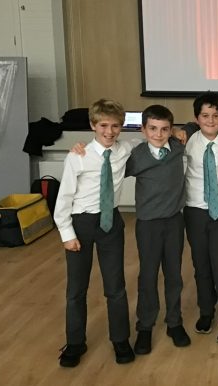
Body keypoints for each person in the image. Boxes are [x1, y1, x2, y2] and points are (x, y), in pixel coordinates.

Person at [54, 98, 135, 367]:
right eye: (103, 126)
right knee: (76, 288)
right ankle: (75, 342)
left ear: (121, 127)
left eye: (115, 126)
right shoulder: (78, 156)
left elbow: (151, 142)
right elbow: (64, 198)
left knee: (116, 286)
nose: (109, 132)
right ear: (92, 125)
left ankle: (120, 339)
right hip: (82, 224)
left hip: (111, 224)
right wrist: (67, 234)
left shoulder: (125, 150)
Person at [125, 105, 190, 355]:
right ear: (143, 130)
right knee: (148, 276)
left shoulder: (178, 146)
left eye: (164, 129)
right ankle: (145, 326)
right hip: (148, 225)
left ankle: (174, 322)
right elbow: (108, 162)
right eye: (152, 129)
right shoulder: (136, 156)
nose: (158, 134)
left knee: (174, 274)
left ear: (171, 130)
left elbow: (201, 126)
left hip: (174, 222)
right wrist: (81, 149)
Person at [184, 92, 218, 343]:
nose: (210, 120)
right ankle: (206, 311)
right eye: (205, 116)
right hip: (195, 211)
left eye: (216, 116)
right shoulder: (187, 141)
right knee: (201, 266)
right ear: (197, 118)